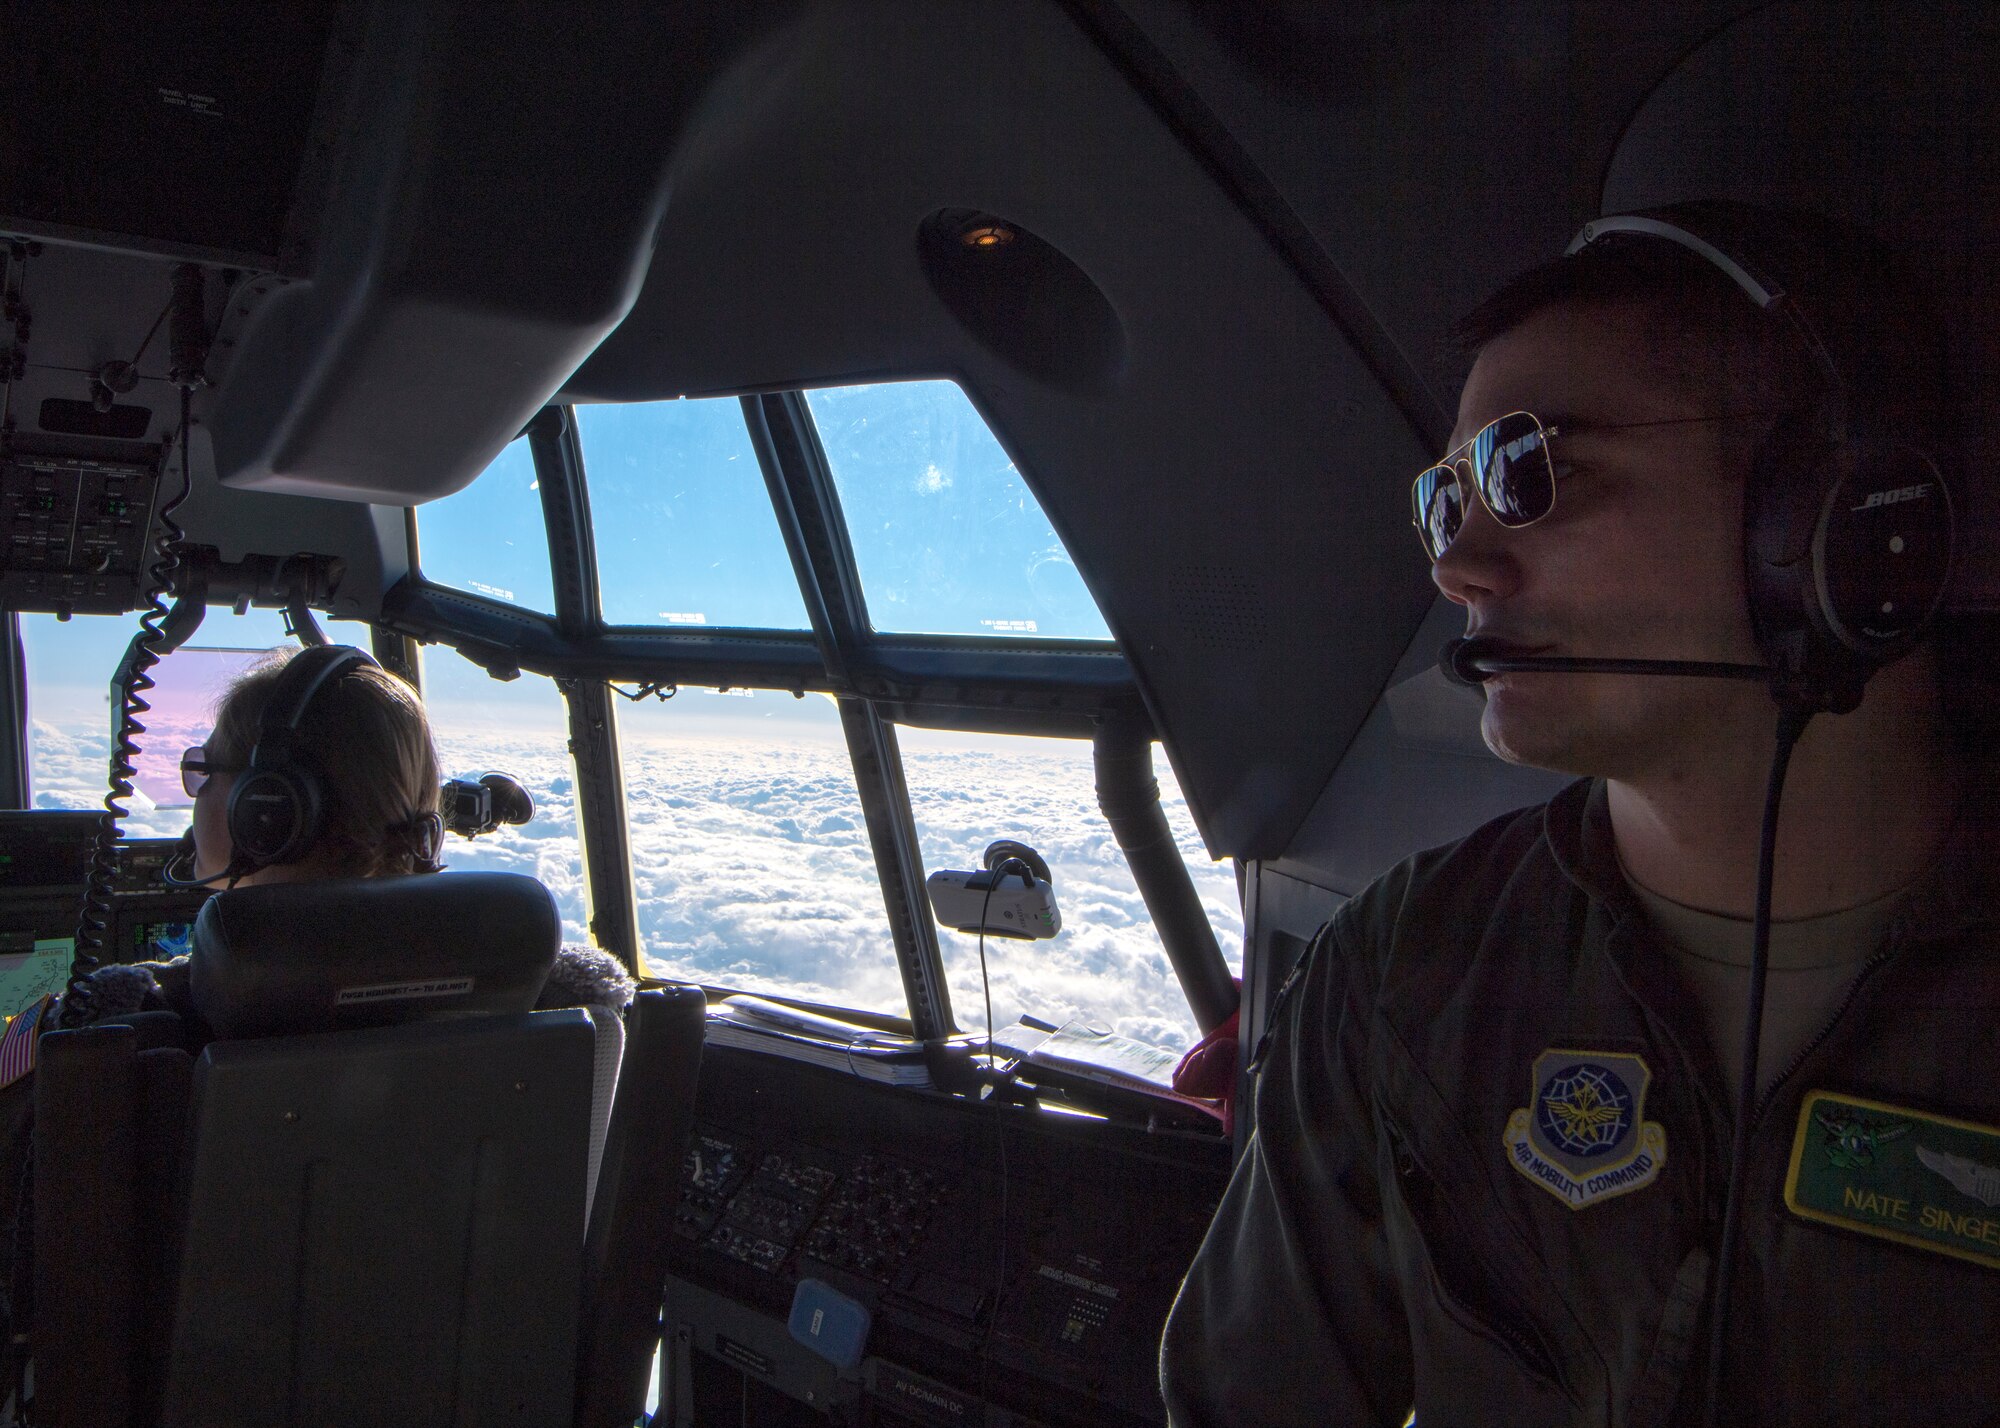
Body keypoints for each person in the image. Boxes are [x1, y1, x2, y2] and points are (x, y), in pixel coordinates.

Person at [1159, 204, 2000, 1424]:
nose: (1456, 566)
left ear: (1827, 516)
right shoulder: (1402, 971)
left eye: (1525, 471)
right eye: (1445, 500)